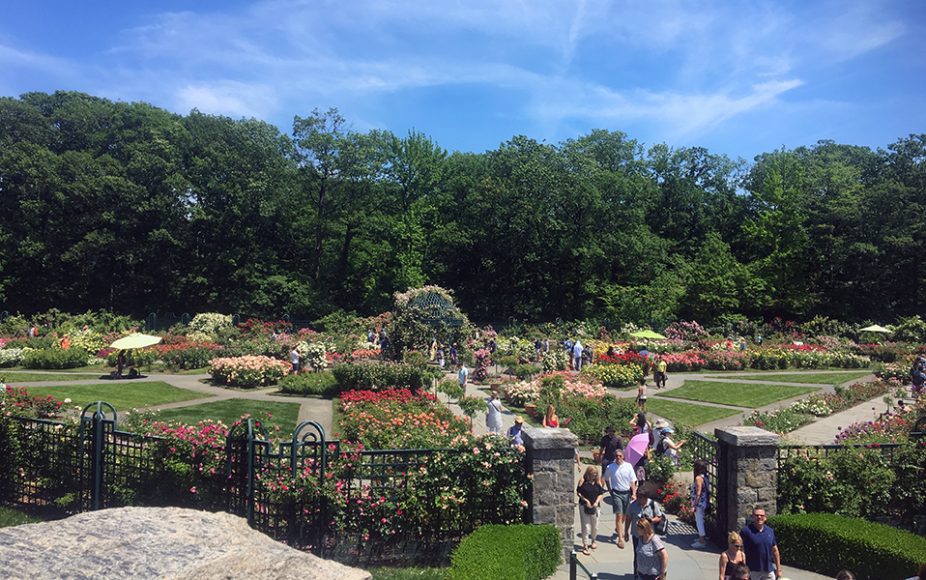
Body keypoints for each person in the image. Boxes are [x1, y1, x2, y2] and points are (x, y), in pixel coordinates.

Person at [627, 485, 666, 577]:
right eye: (638, 497)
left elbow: (659, 517)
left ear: (646, 497)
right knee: (638, 555)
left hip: (649, 536)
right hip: (637, 535)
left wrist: (651, 520)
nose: (639, 499)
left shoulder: (653, 504)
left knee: (651, 555)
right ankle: (637, 575)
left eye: (641, 498)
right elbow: (628, 518)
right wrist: (625, 532)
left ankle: (651, 573)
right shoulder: (633, 505)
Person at [603, 449, 637, 549]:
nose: (618, 458)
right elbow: (606, 479)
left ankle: (619, 528)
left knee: (625, 515)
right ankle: (620, 538)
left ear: (623, 456)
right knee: (619, 515)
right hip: (616, 493)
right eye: (617, 456)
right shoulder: (610, 467)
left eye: (620, 456)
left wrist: (634, 493)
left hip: (626, 493)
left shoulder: (628, 466)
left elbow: (632, 481)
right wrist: (609, 490)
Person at [740, 506, 781, 580]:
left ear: (765, 517)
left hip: (768, 570)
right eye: (756, 515)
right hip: (752, 570)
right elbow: (741, 551)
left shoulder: (770, 531)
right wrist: (743, 569)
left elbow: (775, 550)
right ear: (753, 517)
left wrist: (778, 569)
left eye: (761, 515)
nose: (759, 517)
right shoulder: (745, 531)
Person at [576, 466, 605, 555]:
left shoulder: (597, 482)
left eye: (595, 474)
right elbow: (578, 492)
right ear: (588, 473)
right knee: (586, 526)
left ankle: (593, 540)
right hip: (584, 506)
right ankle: (585, 544)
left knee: (595, 525)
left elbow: (601, 493)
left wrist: (596, 502)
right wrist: (586, 500)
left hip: (595, 506)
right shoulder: (583, 480)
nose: (594, 475)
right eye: (592, 474)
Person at [691, 459, 710, 549]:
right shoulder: (704, 476)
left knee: (699, 521)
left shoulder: (698, 478)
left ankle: (701, 541)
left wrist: (694, 505)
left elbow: (698, 493)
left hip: (699, 503)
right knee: (700, 519)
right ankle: (701, 537)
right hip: (703, 501)